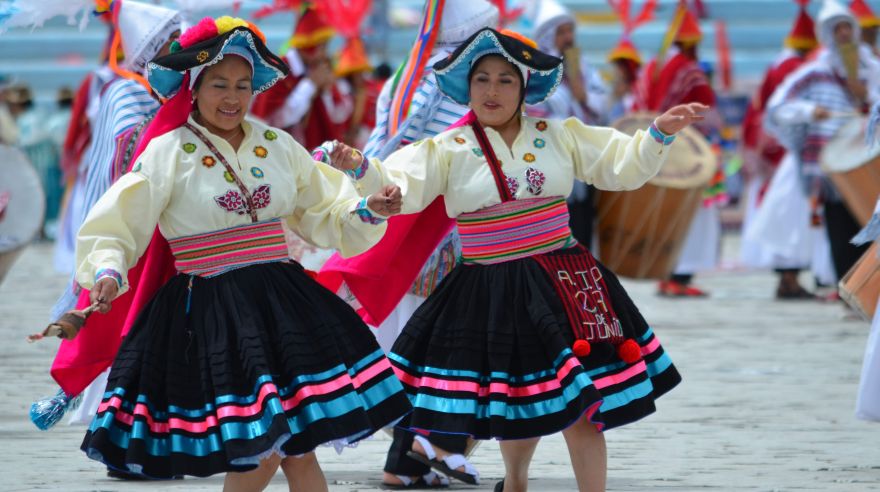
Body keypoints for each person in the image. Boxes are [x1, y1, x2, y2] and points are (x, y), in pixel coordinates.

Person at [329, 28, 697, 492]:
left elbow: (618, 165)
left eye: (505, 80)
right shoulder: (448, 148)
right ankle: (517, 482)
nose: (492, 90)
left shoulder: (558, 135)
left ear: (525, 87)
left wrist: (658, 133)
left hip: (564, 280)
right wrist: (361, 169)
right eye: (481, 79)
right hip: (490, 286)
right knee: (522, 400)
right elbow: (400, 185)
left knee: (583, 404)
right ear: (467, 87)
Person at [74, 17, 410, 489]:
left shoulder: (276, 146)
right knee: (264, 451)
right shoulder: (166, 152)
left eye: (242, 85)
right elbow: (118, 223)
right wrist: (107, 270)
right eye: (219, 84)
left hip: (280, 300)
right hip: (213, 312)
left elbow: (324, 210)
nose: (232, 97)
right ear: (193, 86)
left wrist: (367, 207)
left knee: (295, 449)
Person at [318, 1, 500, 488]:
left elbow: (385, 147)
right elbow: (419, 153)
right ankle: (416, 455)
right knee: (439, 347)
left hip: (413, 227)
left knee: (419, 343)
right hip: (436, 233)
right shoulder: (446, 84)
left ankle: (409, 461)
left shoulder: (412, 76)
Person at [52, 0, 182, 291]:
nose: (180, 44)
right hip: (131, 197)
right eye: (172, 39)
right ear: (150, 47)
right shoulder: (123, 91)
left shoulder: (181, 88)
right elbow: (120, 153)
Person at [764, 0, 880, 291]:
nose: (842, 34)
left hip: (871, 162)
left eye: (846, 27)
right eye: (836, 28)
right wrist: (808, 111)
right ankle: (847, 290)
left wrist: (868, 97)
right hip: (831, 170)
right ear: (828, 35)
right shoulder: (813, 72)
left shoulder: (873, 68)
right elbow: (778, 107)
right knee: (841, 232)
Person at [633, 0, 722, 298]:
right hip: (687, 150)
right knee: (693, 213)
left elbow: (638, 107)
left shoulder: (651, 68)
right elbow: (707, 110)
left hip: (655, 144)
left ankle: (666, 275)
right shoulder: (690, 70)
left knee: (666, 210)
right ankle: (680, 277)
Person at [740, 0, 821, 299]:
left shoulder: (781, 63)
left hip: (778, 145)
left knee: (784, 213)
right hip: (791, 149)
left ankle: (789, 277)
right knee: (791, 214)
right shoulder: (797, 68)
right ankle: (790, 277)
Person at [526, 0, 611, 253]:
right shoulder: (536, 72)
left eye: (570, 31)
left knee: (583, 225)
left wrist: (583, 96)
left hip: (584, 162)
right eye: (562, 32)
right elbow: (533, 114)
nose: (569, 37)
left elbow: (601, 105)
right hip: (550, 162)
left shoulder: (583, 68)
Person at [250, 6, 353, 150]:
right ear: (308, 46)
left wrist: (327, 90)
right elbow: (274, 120)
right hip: (281, 153)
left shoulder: (316, 68)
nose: (324, 54)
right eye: (322, 47)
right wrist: (310, 85)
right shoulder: (279, 70)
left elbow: (339, 115)